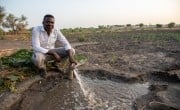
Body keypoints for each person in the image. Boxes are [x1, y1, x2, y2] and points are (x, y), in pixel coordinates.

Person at [31, 14, 77, 79]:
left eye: (52, 22)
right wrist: (54, 53)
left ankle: (58, 65)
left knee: (71, 51)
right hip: (41, 53)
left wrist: (71, 57)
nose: (50, 24)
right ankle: (42, 68)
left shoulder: (56, 31)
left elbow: (66, 43)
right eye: (47, 22)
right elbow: (36, 47)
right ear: (43, 22)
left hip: (52, 54)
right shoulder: (36, 30)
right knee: (37, 58)